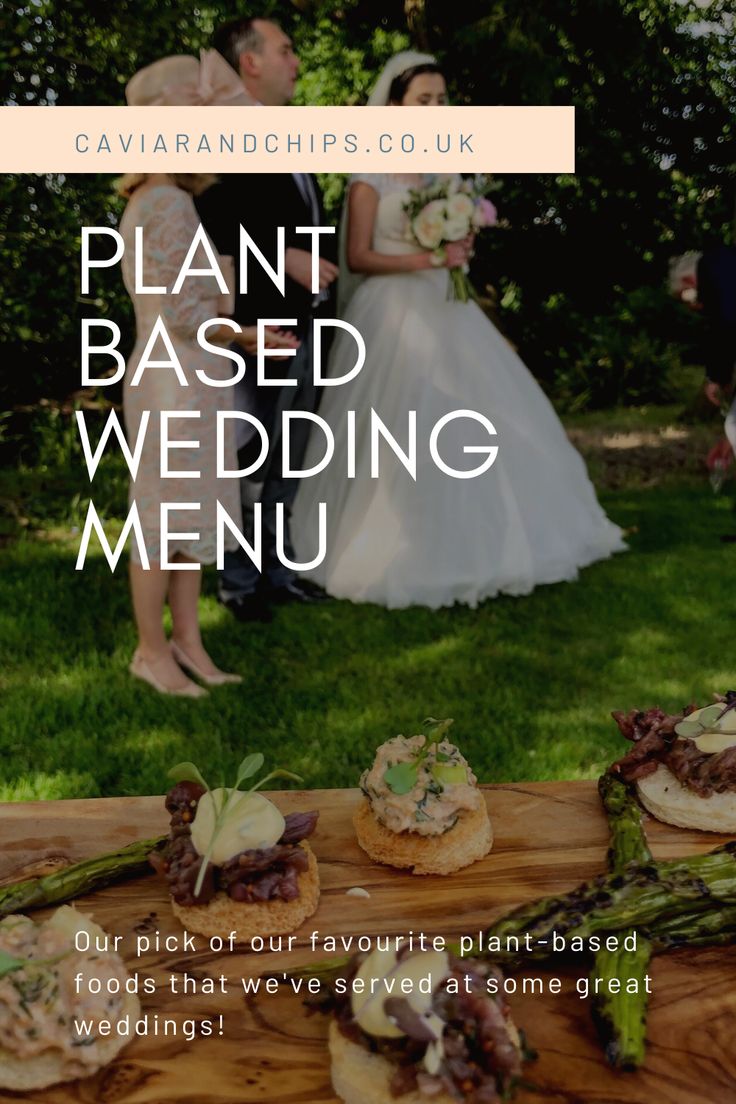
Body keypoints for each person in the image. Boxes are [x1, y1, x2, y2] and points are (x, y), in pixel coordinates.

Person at [291, 52, 626, 610]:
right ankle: (394, 545)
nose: (434, 108)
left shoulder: (449, 172)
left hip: (448, 306)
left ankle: (494, 541)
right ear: (394, 105)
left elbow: (457, 239)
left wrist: (458, 249)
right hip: (392, 313)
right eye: (423, 99)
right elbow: (358, 255)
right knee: (404, 426)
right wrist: (426, 260)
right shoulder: (369, 174)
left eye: (441, 99)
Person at [120, 53, 295, 695]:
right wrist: (253, 334)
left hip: (185, 372)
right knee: (163, 522)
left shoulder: (160, 199)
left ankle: (188, 642)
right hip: (176, 376)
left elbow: (199, 299)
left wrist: (225, 296)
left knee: (188, 519)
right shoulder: (165, 203)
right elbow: (185, 315)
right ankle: (150, 650)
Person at [195, 17, 339, 622]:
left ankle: (278, 573)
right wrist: (281, 255)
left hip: (306, 322)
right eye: (285, 50)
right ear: (248, 62)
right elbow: (210, 219)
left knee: (289, 457)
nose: (296, 61)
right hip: (250, 324)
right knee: (249, 457)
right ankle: (238, 583)